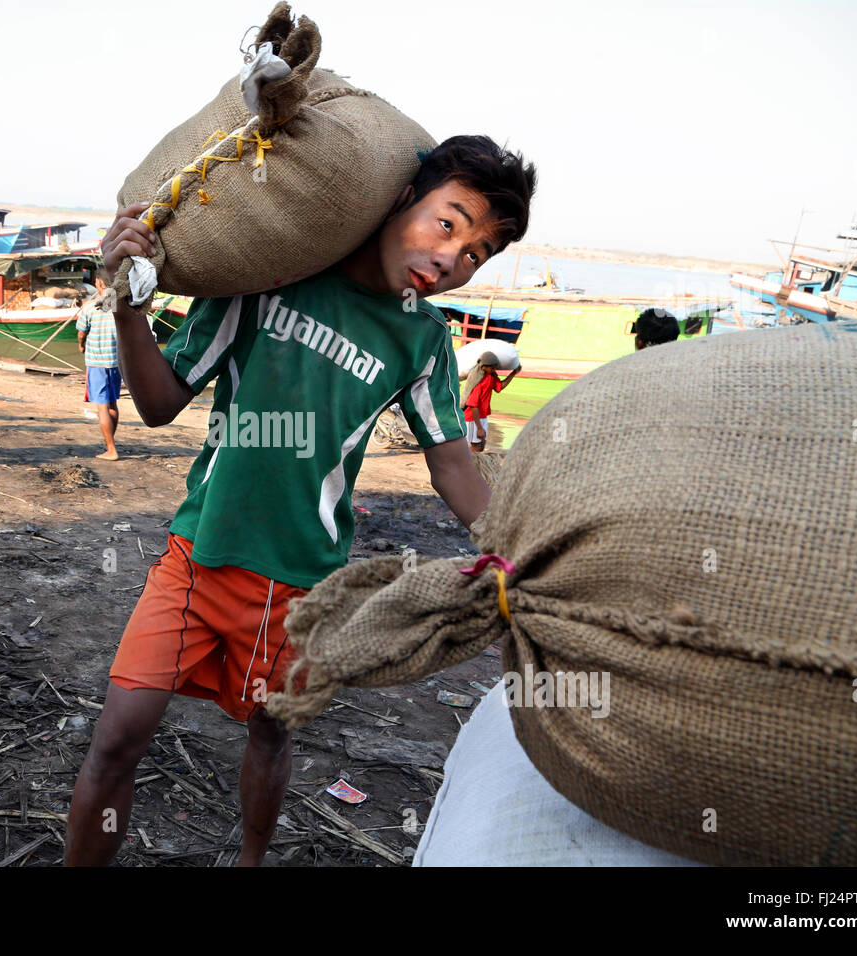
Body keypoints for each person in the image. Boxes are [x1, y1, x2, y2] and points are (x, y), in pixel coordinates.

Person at [64, 134, 537, 866]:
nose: (452, 258)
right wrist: (126, 303)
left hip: (297, 586)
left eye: (476, 253)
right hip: (196, 556)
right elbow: (158, 404)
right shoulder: (268, 280)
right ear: (403, 198)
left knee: (270, 731)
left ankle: (251, 860)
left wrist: (518, 558)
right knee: (116, 738)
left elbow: (452, 468)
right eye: (449, 223)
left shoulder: (421, 339)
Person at [75, 270, 122, 460]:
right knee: (112, 403)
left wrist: (81, 346)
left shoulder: (90, 307)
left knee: (102, 406)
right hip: (116, 363)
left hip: (97, 362)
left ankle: (111, 449)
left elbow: (81, 332)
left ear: (98, 283)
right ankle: (110, 441)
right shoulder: (121, 306)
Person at [463, 353, 519, 452]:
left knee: (481, 445)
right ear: (484, 367)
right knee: (476, 446)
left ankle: (470, 461)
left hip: (483, 415)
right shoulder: (477, 381)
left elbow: (500, 386)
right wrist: (479, 427)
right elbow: (473, 406)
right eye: (492, 368)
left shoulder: (491, 376)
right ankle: (467, 463)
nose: (494, 370)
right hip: (472, 417)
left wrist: (513, 373)